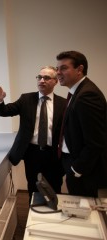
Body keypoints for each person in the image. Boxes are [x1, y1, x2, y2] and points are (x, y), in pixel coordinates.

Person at [0, 66, 66, 202]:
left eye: (47, 78)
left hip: (54, 153)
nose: (42, 80)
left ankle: (54, 216)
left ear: (55, 81)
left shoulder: (63, 103)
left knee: (54, 187)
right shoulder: (26, 99)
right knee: (33, 186)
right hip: (32, 153)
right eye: (39, 77)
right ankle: (34, 216)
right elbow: (4, 111)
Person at [56, 50, 107, 197]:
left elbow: (96, 142)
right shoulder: (77, 92)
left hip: (84, 170)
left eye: (64, 68)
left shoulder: (87, 95)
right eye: (57, 68)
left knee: (87, 213)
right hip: (73, 161)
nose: (58, 72)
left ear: (80, 69)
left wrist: (77, 169)